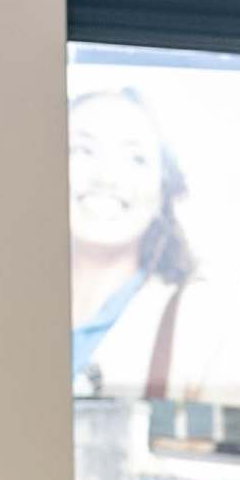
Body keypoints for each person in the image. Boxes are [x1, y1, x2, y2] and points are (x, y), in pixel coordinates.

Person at [69, 85, 199, 402]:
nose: (106, 178)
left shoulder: (203, 321)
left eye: (135, 158)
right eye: (84, 150)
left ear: (164, 190)